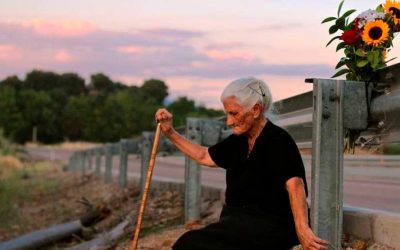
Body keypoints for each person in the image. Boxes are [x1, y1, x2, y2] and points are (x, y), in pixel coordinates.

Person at [155, 77, 328, 250]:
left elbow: (295, 186)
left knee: (191, 244)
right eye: (227, 114)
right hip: (237, 224)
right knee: (190, 241)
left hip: (270, 225)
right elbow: (203, 155)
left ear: (255, 109)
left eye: (234, 113)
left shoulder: (278, 140)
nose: (229, 122)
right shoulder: (237, 141)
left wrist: (302, 229)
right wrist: (170, 132)